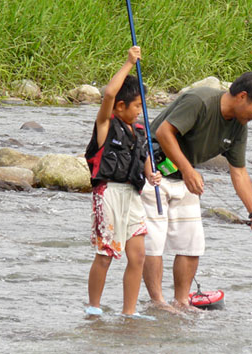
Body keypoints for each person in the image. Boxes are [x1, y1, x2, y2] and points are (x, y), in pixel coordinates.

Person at [140, 72, 252, 311]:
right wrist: (188, 170)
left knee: (191, 245)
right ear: (242, 96)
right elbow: (163, 132)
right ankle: (158, 302)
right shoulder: (200, 101)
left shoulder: (239, 127)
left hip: (186, 178)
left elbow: (239, 172)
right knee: (154, 244)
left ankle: (181, 302)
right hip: (153, 173)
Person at [84, 46, 161, 317]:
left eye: (142, 106)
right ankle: (93, 308)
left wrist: (152, 174)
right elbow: (108, 93)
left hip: (133, 196)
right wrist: (129, 63)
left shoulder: (139, 131)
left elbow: (143, 158)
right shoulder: (106, 123)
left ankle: (129, 312)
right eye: (137, 106)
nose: (140, 111)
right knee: (106, 254)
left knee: (138, 256)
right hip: (108, 194)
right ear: (120, 106)